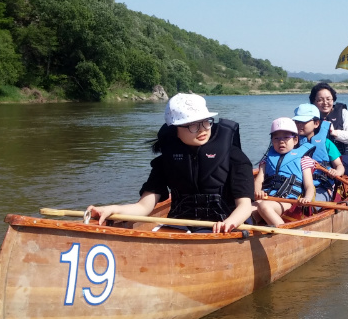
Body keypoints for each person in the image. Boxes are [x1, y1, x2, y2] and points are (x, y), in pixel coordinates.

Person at [87, 93, 255, 233]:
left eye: (206, 121)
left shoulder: (235, 157)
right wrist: (112, 209)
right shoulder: (165, 161)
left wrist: (229, 222)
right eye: (192, 125)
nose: (203, 129)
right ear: (175, 130)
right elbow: (144, 207)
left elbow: (245, 207)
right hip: (181, 224)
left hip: (225, 224)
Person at [253, 117, 317, 227]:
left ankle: (284, 234)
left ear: (295, 140)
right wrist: (258, 191)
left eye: (286, 138)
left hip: (290, 201)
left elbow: (309, 185)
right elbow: (258, 181)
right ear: (272, 141)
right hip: (269, 197)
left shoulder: (303, 159)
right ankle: (251, 231)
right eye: (276, 138)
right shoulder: (266, 160)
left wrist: (307, 198)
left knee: (264, 207)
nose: (281, 141)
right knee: (248, 209)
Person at [292, 103, 346, 203]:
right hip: (296, 185)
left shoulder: (326, 143)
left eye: (303, 122)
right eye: (297, 121)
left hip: (321, 187)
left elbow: (339, 166)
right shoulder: (291, 143)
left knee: (309, 206)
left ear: (316, 123)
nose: (299, 125)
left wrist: (337, 172)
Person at [309, 82, 348, 178]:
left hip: (343, 155)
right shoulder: (309, 116)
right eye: (320, 100)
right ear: (313, 101)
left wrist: (334, 132)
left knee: (342, 166)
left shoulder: (342, 113)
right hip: (319, 157)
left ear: (333, 99)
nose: (325, 103)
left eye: (328, 99)